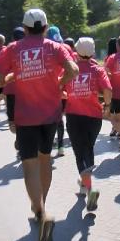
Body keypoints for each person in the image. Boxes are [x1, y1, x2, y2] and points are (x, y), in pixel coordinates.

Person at [0, 9, 78, 241]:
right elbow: (74, 70)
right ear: (45, 26)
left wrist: (12, 78)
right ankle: (42, 205)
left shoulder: (13, 49)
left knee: (29, 165)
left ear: (26, 28)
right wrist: (58, 84)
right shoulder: (55, 47)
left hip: (25, 117)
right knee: (45, 159)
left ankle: (40, 211)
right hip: (50, 115)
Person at [65, 37, 112, 211]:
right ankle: (85, 186)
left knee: (80, 153)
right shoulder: (98, 70)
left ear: (76, 51)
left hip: (74, 115)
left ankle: (90, 189)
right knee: (88, 149)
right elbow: (108, 90)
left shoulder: (70, 69)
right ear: (92, 52)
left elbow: (60, 88)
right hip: (94, 117)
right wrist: (107, 106)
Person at [2, 27, 26, 158]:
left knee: (13, 121)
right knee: (28, 117)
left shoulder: (8, 50)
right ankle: (24, 139)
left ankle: (19, 138)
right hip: (26, 88)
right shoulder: (29, 49)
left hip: (11, 90)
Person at [47, 26, 67, 157]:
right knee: (59, 119)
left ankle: (48, 145)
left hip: (47, 90)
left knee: (48, 119)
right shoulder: (64, 48)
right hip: (63, 89)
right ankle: (60, 146)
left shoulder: (45, 48)